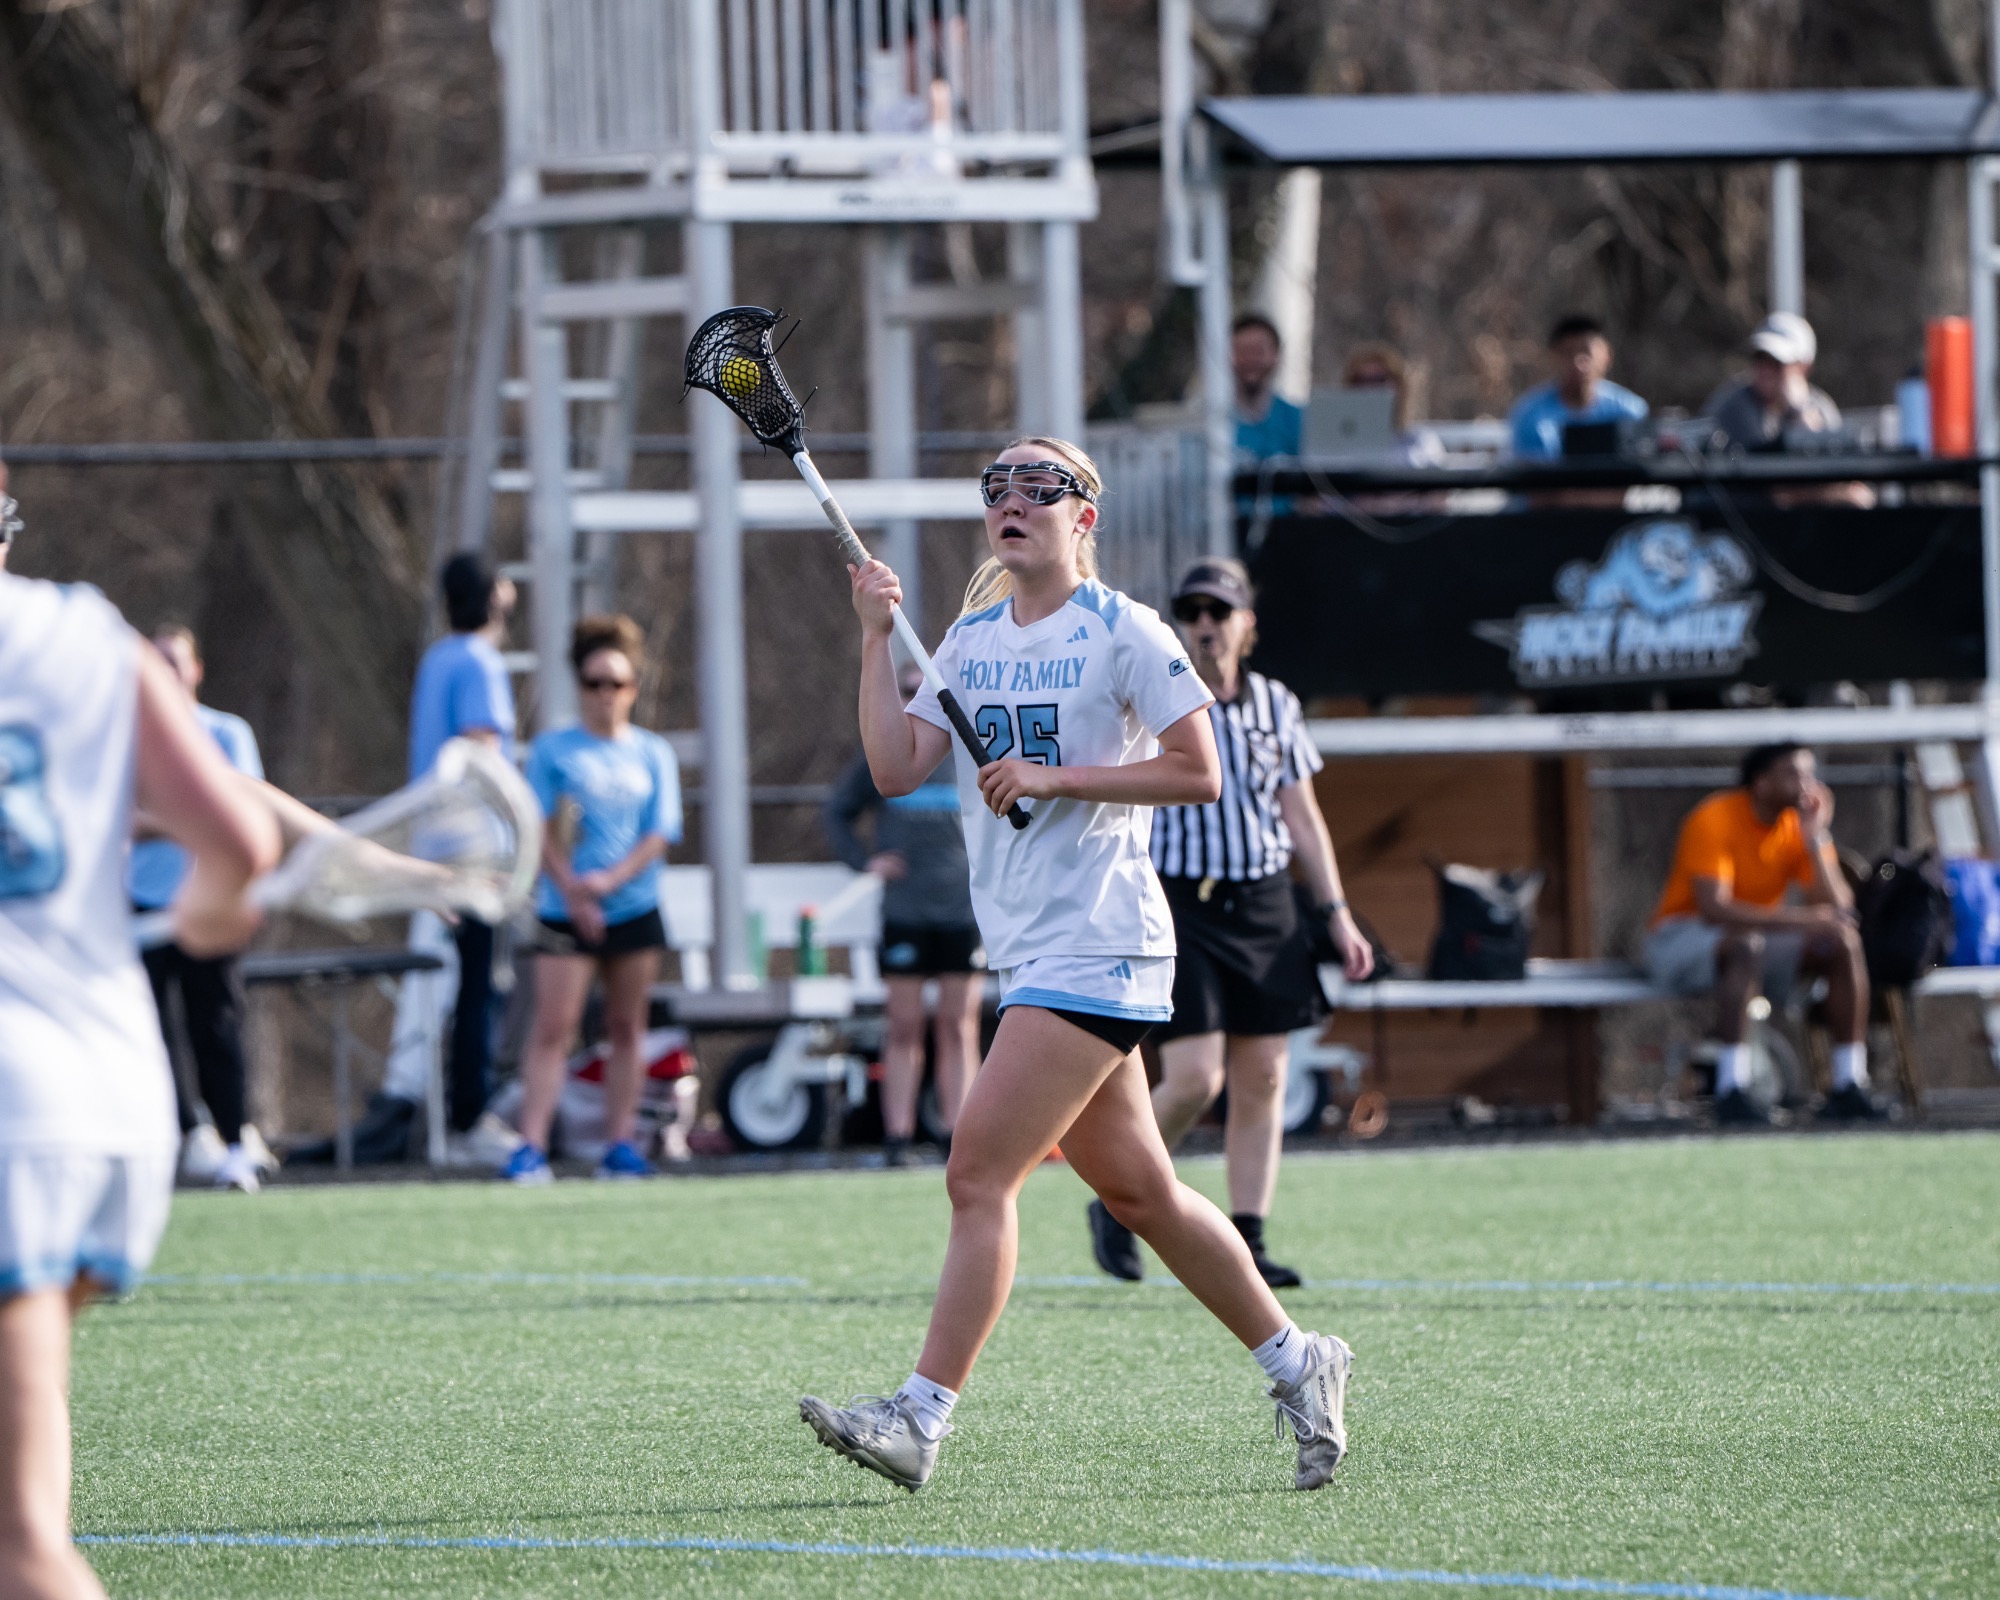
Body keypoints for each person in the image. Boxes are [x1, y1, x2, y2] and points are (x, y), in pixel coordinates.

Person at [798, 437, 1356, 1495]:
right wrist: (874, 641)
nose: (1011, 501)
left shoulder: (1124, 630)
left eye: (1037, 487)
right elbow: (894, 765)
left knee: (977, 1173)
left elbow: (1200, 770)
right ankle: (1298, 1358)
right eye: (995, 487)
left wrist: (1056, 777)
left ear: (1081, 516)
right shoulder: (962, 638)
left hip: (1098, 940)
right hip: (1030, 948)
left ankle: (920, 1417)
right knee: (1142, 1193)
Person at [0, 565, 278, 1600]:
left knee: (23, 1549)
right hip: (115, 1098)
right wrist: (207, 914)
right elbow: (240, 853)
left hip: (13, 1109)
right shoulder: (89, 633)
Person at [1087, 557, 1374, 1290]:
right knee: (1192, 1079)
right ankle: (1120, 1200)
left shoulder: (1278, 703)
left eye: (1220, 613)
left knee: (1267, 1075)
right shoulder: (1162, 694)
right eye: (1193, 614)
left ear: (1249, 624)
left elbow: (1302, 816)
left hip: (1264, 899)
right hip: (1185, 900)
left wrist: (1336, 913)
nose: (1205, 627)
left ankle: (1248, 1237)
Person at [505, 614, 683, 1183]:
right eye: (594, 683)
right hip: (565, 910)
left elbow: (660, 831)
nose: (605, 695)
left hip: (633, 906)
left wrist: (610, 883)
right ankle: (530, 1146)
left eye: (616, 684)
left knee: (626, 1027)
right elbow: (537, 826)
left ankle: (619, 1143)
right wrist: (574, 890)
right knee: (553, 1027)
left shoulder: (652, 752)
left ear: (633, 689)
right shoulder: (555, 750)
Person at [362, 553, 522, 1167]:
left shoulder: (437, 659)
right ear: (491, 597)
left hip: (433, 849)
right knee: (477, 988)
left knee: (447, 988)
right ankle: (466, 1121)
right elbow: (482, 757)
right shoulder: (478, 660)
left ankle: (433, 1119)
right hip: (471, 854)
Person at [1645, 742, 1880, 1125]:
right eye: (1793, 774)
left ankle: (1848, 1084)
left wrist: (1815, 837)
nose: (1806, 784)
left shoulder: (1796, 827)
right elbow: (1714, 908)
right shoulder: (1715, 816)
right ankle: (1731, 1090)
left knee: (1843, 943)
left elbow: (1839, 909)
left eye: (1809, 773)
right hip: (1682, 937)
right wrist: (1805, 920)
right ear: (1761, 783)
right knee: (1744, 945)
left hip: (1756, 940)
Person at [128, 625, 270, 1194]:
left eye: (176, 662)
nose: (167, 671)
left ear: (197, 669)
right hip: (143, 903)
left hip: (210, 905)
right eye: (155, 661)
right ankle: (185, 1135)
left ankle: (238, 1141)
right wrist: (186, 818)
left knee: (217, 1023)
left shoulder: (226, 733)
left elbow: (251, 813)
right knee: (150, 1030)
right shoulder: (126, 737)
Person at [824, 665, 984, 1166]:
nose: (920, 701)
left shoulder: (970, 749)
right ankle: (897, 1136)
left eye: (929, 691)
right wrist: (864, 860)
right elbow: (837, 812)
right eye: (909, 692)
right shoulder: (886, 756)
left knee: (958, 1026)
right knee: (904, 1025)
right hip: (905, 913)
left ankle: (959, 1135)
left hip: (963, 911)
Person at [1509, 314, 1649, 461]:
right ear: (1552, 356)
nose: (1578, 363)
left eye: (1587, 352)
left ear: (1607, 356)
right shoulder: (1530, 415)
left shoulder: (1630, 411)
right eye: (1568, 353)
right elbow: (1531, 477)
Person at [1703, 313, 1843, 451]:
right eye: (1760, 357)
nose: (1766, 369)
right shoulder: (1730, 405)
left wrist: (1799, 415)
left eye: (1777, 362)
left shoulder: (1823, 410)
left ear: (1803, 367)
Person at [1342, 343, 1445, 467]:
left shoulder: (1420, 443)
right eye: (1360, 381)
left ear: (1399, 386)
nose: (1369, 389)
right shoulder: (1333, 447)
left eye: (1379, 380)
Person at [1232, 313, 1302, 463]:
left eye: (1258, 351)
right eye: (1242, 351)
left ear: (1276, 356)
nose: (1250, 359)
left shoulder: (1298, 421)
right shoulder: (1210, 421)